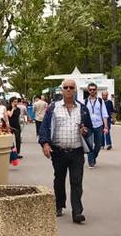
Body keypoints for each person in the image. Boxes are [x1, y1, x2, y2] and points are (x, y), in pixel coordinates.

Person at [38, 77, 93, 224]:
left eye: (71, 87)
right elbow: (44, 127)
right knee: (59, 179)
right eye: (66, 87)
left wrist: (85, 131)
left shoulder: (82, 108)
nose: (68, 90)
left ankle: (77, 212)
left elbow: (90, 128)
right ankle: (59, 205)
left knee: (76, 181)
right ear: (62, 90)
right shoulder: (53, 108)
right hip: (59, 151)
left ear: (75, 90)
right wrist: (45, 144)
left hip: (76, 151)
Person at [83, 83, 109, 167]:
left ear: (96, 90)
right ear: (88, 90)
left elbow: (104, 114)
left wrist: (105, 126)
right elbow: (83, 114)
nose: (92, 91)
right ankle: (91, 162)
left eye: (94, 89)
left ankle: (93, 157)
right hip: (88, 126)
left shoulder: (100, 101)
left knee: (98, 145)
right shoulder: (85, 101)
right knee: (89, 144)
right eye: (90, 89)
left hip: (99, 125)